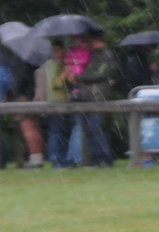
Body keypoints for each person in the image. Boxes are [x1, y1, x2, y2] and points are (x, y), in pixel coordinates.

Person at [71, 31, 119, 168]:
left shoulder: (106, 55)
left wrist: (78, 77)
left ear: (96, 40)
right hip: (88, 97)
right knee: (89, 129)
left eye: (89, 41)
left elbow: (99, 74)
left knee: (95, 128)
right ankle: (95, 159)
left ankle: (104, 159)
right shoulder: (94, 55)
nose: (86, 44)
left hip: (97, 97)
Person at [37, 40, 73, 168]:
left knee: (59, 132)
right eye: (57, 50)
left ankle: (60, 159)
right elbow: (56, 85)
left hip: (58, 103)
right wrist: (64, 74)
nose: (59, 52)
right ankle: (57, 160)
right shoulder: (53, 66)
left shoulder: (49, 65)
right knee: (57, 132)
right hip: (57, 102)